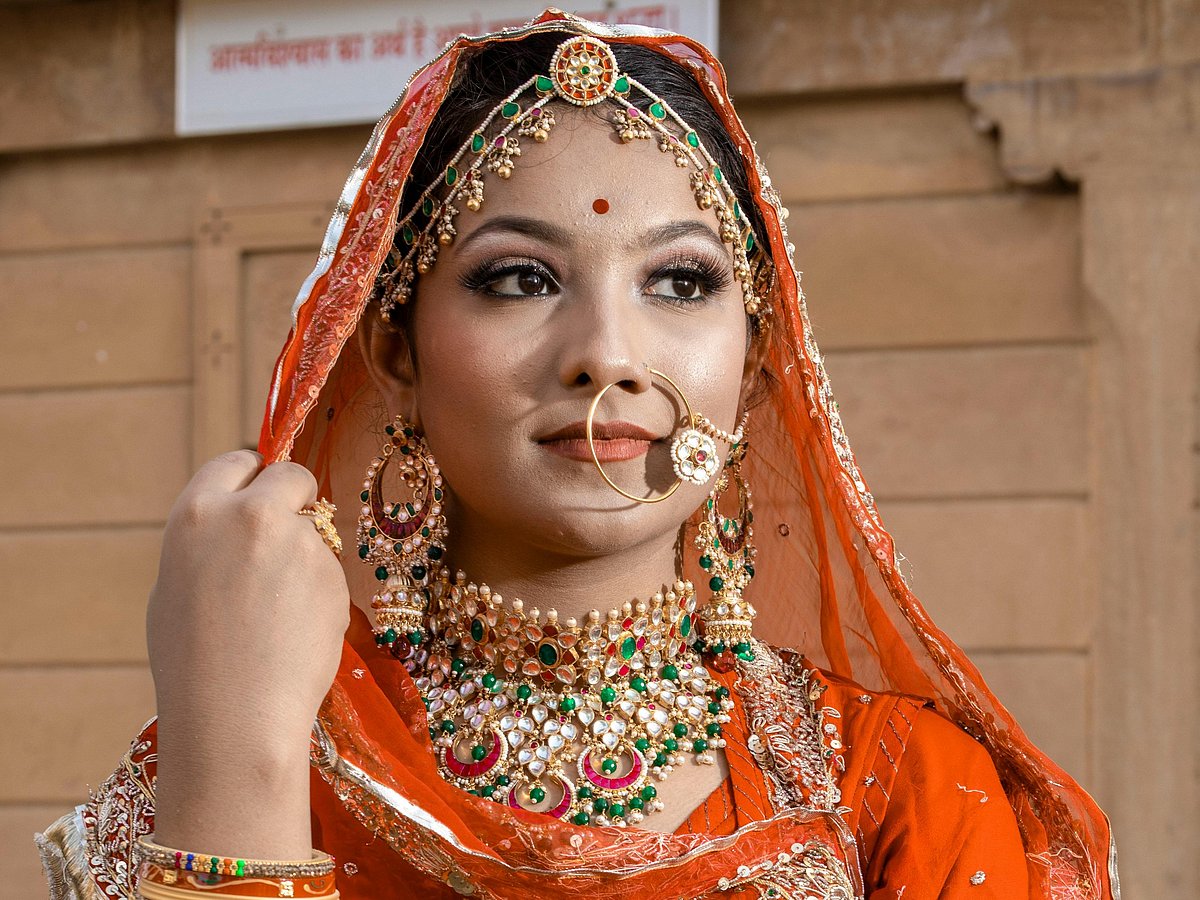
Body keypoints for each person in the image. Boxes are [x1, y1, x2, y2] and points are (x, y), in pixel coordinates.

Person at [36, 10, 1118, 899]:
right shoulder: (256, 736)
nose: (606, 353)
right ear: (395, 355)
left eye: (682, 282)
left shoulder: (895, 789)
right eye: (521, 278)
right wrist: (239, 771)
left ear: (751, 372)